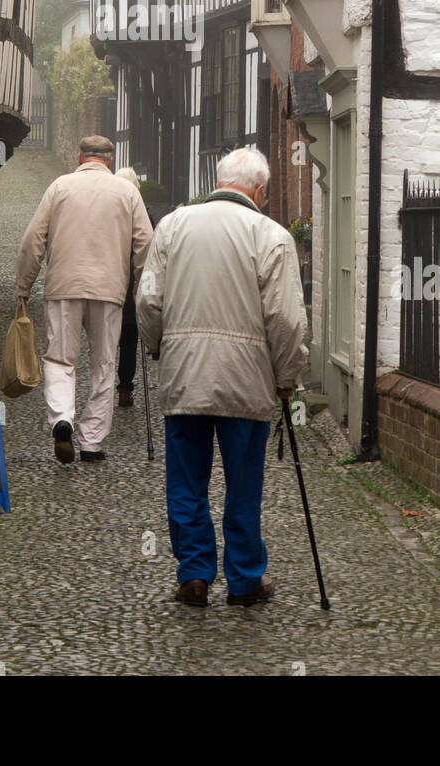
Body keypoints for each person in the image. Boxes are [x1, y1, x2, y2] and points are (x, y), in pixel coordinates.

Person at [136, 147, 308, 608]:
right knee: (243, 485)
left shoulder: (172, 225)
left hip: (184, 376)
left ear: (219, 180)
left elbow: (148, 300)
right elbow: (287, 319)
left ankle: (194, 574)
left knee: (187, 482)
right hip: (246, 380)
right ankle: (245, 579)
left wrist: (158, 347)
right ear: (259, 191)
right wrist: (286, 375)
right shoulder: (271, 236)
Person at [16, 135, 154, 464]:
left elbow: (33, 240)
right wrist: (142, 286)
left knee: (60, 359)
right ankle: (91, 441)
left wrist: (23, 286)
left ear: (80, 157)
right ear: (110, 159)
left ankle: (62, 417)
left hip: (63, 286)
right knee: (104, 363)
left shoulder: (59, 188)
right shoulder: (128, 193)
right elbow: (147, 245)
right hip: (109, 291)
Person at [114, 166, 141, 408]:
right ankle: (124, 387)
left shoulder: (105, 214)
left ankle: (101, 386)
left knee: (105, 339)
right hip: (131, 288)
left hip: (108, 286)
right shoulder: (142, 215)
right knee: (129, 342)